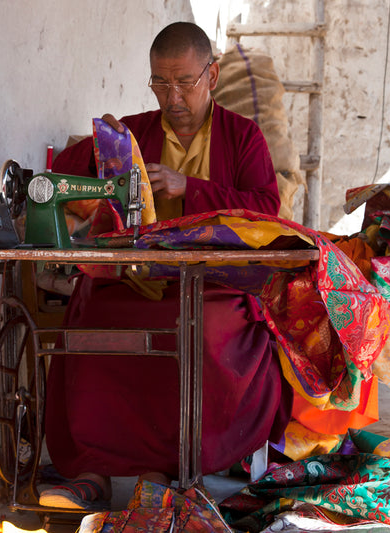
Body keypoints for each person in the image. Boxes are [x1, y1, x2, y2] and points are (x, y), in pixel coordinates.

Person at [42, 22, 292, 509]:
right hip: (139, 279)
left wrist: (189, 187)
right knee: (93, 313)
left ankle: (170, 469)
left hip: (215, 283)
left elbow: (267, 210)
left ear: (212, 76)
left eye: (184, 82)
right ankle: (94, 472)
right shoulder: (136, 132)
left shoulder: (243, 138)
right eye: (160, 83)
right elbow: (68, 176)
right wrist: (101, 141)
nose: (171, 96)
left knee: (207, 329)